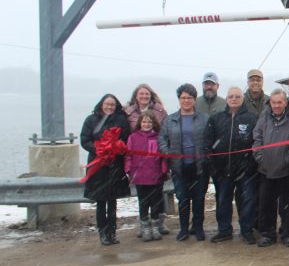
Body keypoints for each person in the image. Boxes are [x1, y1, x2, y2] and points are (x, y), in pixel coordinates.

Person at [205, 87, 260, 245]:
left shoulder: (252, 118)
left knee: (248, 201)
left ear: (242, 99)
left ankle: (246, 230)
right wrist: (213, 168)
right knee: (223, 200)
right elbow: (207, 144)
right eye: (231, 96)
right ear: (226, 99)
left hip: (246, 170)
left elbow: (257, 143)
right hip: (223, 170)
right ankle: (224, 230)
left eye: (237, 96)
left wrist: (250, 165)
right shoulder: (216, 119)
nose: (234, 99)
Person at [253, 89, 289, 247]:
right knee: (266, 204)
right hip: (266, 169)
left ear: (285, 102)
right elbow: (257, 137)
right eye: (273, 102)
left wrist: (288, 160)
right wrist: (261, 159)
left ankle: (288, 233)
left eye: (279, 102)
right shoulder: (264, 116)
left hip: (287, 170)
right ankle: (268, 234)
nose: (276, 105)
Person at [159, 83, 209, 241]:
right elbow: (162, 139)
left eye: (189, 98)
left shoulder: (204, 118)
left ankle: (198, 228)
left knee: (199, 199)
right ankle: (183, 229)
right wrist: (168, 153)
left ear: (194, 99)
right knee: (183, 199)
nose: (186, 101)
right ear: (179, 99)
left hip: (199, 167)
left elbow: (210, 140)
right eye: (183, 98)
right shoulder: (170, 120)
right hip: (179, 167)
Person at [81, 94, 131, 246]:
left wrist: (116, 148)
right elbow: (84, 140)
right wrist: (99, 149)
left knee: (113, 201)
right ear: (101, 104)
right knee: (101, 200)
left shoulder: (120, 120)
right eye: (107, 104)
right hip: (98, 165)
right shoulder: (91, 120)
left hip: (115, 165)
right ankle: (102, 231)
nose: (109, 107)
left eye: (112, 104)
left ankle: (112, 231)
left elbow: (126, 138)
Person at [125, 110, 168, 242]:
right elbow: (128, 155)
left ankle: (155, 225)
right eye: (144, 121)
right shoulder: (133, 137)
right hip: (140, 176)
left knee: (156, 203)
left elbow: (163, 157)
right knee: (143, 202)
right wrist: (129, 170)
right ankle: (145, 226)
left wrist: (164, 170)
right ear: (140, 123)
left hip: (156, 175)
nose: (147, 124)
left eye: (149, 122)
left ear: (154, 123)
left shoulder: (158, 137)